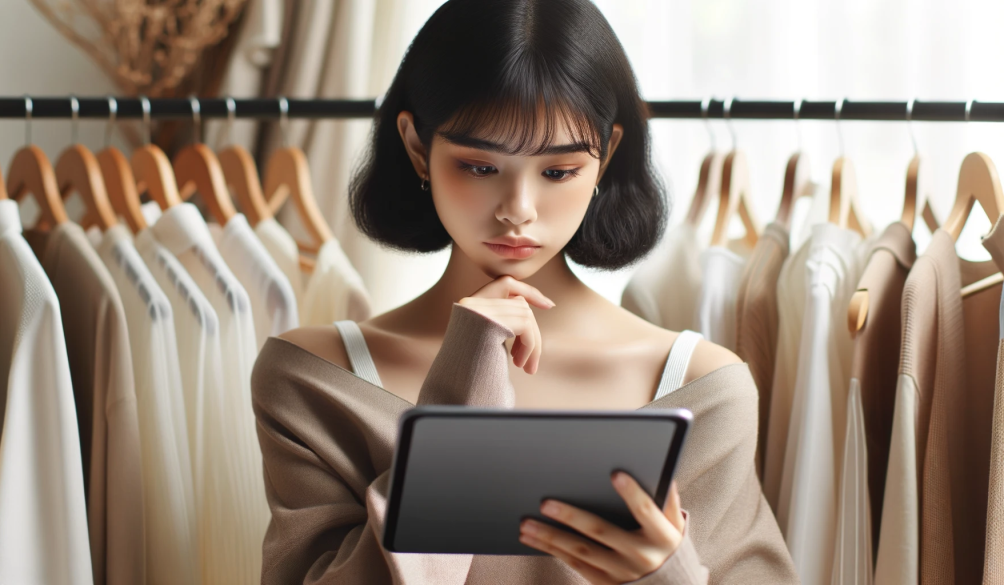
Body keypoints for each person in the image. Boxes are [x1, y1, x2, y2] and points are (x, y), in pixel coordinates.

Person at [251, 0, 798, 583]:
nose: (519, 211)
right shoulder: (314, 380)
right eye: (480, 167)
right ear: (416, 147)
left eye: (559, 171)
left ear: (606, 156)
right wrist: (463, 389)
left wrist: (665, 575)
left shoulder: (703, 389)